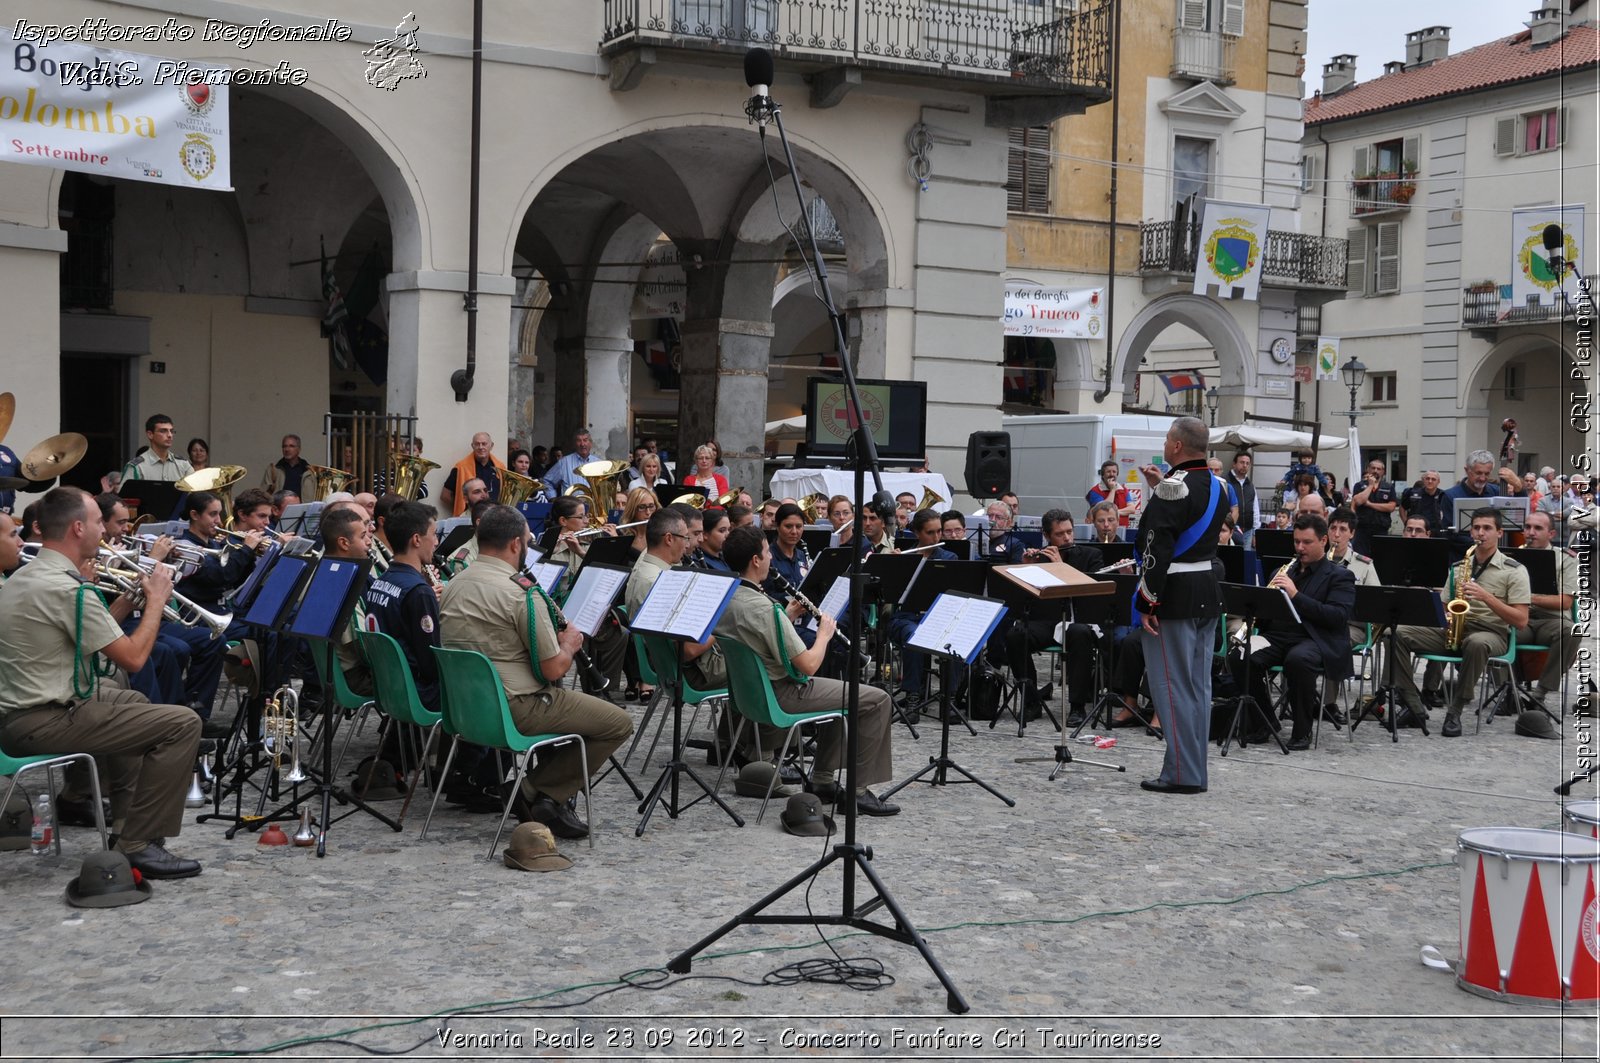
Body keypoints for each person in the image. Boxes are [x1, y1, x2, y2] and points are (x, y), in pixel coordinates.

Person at [0, 487, 203, 879]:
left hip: (23, 713)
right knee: (182, 723)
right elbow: (134, 656)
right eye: (98, 523)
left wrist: (126, 600)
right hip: (40, 720)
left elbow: (86, 642)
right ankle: (138, 844)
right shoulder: (66, 589)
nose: (105, 533)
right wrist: (157, 599)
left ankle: (127, 829)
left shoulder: (29, 576)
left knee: (132, 702)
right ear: (78, 528)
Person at [440, 505, 633, 838]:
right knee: (618, 723)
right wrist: (571, 645)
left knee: (580, 715)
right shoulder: (521, 594)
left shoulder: (454, 584)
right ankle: (531, 792)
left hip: (466, 710)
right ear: (516, 544)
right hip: (516, 707)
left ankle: (546, 800)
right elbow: (552, 669)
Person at [717, 525, 898, 815]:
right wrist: (825, 633)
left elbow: (759, 636)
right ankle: (858, 792)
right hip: (783, 693)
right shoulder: (765, 608)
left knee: (841, 697)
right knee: (877, 700)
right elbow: (809, 664)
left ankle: (824, 781)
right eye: (766, 553)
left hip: (752, 695)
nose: (770, 559)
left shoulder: (728, 599)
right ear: (755, 560)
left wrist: (786, 616)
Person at [1134, 416, 1227, 795]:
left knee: (1171, 686)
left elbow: (1157, 548)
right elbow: (1197, 520)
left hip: (1173, 591)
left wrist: (1147, 600)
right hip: (1207, 588)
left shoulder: (1172, 488)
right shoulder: (1221, 486)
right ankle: (1193, 768)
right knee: (1198, 688)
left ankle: (1181, 774)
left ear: (1175, 446)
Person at [1390, 509, 1529, 737]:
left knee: (1476, 643)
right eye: (1476, 528)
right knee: (1396, 634)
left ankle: (1455, 710)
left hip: (1491, 632)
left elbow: (1521, 621)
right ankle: (1414, 706)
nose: (1480, 533)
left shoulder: (1514, 570)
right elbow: (1445, 606)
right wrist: (1444, 617)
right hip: (1455, 628)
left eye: (1487, 528)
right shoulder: (1458, 567)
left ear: (1500, 533)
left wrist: (1487, 597)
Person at [1236, 514, 1355, 749]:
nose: (1300, 547)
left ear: (1323, 541)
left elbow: (1337, 617)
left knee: (1298, 660)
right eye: (1297, 541)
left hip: (1316, 639)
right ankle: (1264, 723)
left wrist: (1296, 595)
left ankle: (1302, 732)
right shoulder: (1284, 572)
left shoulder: (1340, 576)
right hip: (1278, 637)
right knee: (1240, 653)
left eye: (1307, 542)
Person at [1005, 509, 1102, 722]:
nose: (1067, 538)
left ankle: (1077, 706)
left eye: (1069, 532)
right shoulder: (1040, 557)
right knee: (1015, 635)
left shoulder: (1091, 556)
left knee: (1080, 633)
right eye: (1059, 534)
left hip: (1078, 619)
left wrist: (1061, 567)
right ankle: (1031, 700)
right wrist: (1026, 569)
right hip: (1047, 620)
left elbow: (1090, 594)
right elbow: (1023, 600)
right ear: (1047, 536)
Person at [887, 510, 958, 706]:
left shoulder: (949, 558)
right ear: (917, 533)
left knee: (958, 636)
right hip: (906, 617)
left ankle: (949, 698)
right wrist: (894, 565)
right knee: (914, 634)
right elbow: (889, 594)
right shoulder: (904, 556)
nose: (936, 537)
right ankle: (913, 696)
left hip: (938, 618)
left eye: (939, 532)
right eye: (930, 533)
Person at [1519, 509, 1579, 709]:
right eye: (1527, 527)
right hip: (1520, 618)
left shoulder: (1566, 559)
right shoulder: (1512, 557)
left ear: (1551, 534)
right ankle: (1508, 688)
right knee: (1491, 629)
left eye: (1537, 528)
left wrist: (1528, 598)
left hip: (1550, 620)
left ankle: (1540, 693)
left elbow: (1565, 602)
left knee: (1572, 631)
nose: (1531, 532)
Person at [1440, 450, 1521, 546]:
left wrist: (1518, 487)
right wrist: (1482, 545)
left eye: (1487, 474)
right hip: (1464, 554)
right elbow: (1450, 534)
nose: (1482, 478)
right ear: (1467, 470)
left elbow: (1517, 519)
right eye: (1478, 473)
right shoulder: (1450, 496)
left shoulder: (1497, 492)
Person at [441, 432, 505, 515]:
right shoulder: (461, 467)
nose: (481, 447)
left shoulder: (501, 468)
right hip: (470, 517)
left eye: (484, 444)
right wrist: (462, 505)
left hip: (496, 516)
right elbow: (445, 496)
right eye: (477, 444)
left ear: (491, 445)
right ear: (472, 446)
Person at [121, 414, 193, 483]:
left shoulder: (183, 465)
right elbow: (125, 495)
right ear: (150, 434)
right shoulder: (137, 467)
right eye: (163, 431)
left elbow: (195, 493)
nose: (170, 435)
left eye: (171, 431)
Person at [1348, 459, 1397, 554]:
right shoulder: (1359, 485)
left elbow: (1391, 507)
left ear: (1383, 472)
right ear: (1368, 469)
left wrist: (1370, 504)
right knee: (1360, 557)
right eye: (1373, 468)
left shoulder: (1389, 487)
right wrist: (1370, 485)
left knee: (1380, 557)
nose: (1375, 471)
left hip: (1381, 529)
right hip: (1362, 529)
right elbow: (1358, 501)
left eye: (1379, 469)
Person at [539, 430, 596, 498]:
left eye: (585, 440)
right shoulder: (564, 462)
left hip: (594, 507)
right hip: (571, 507)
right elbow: (547, 481)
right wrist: (553, 499)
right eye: (579, 440)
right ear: (575, 444)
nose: (582, 444)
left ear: (590, 443)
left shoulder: (598, 463)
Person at [1399, 470, 1447, 537]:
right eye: (1427, 478)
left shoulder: (1444, 495)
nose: (1430, 481)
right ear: (1423, 480)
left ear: (1438, 482)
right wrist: (1406, 523)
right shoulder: (1412, 493)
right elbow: (1402, 508)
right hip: (1416, 532)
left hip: (1437, 532)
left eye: (1433, 479)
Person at [1226, 452, 1259, 549]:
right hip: (1231, 530)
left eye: (1247, 463)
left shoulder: (1251, 485)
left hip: (1247, 531)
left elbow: (1255, 509)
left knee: (1246, 560)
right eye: (1242, 462)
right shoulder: (1225, 481)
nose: (1245, 465)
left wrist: (1255, 531)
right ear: (1234, 464)